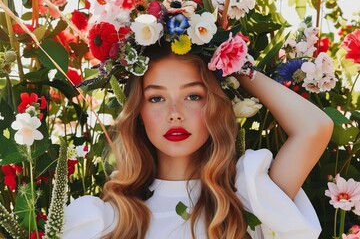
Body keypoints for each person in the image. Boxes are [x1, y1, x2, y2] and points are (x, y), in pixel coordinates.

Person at [62, 39, 333, 238]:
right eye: (157, 98)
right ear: (139, 112)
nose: (174, 114)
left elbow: (314, 127)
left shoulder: (248, 198)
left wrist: (232, 62)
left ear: (215, 104)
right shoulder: (108, 220)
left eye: (193, 96)